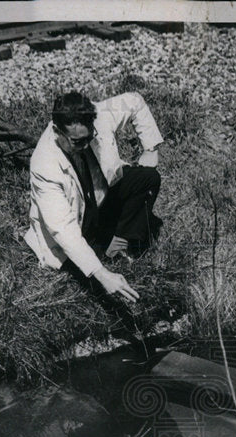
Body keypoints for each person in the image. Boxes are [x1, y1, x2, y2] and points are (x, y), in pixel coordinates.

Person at [24, 90, 164, 304]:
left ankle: (119, 243)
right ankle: (103, 253)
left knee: (148, 178)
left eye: (89, 138)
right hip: (76, 220)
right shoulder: (44, 165)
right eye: (77, 142)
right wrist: (102, 274)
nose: (85, 146)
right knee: (89, 270)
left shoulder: (100, 116)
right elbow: (63, 228)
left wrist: (150, 148)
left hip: (101, 194)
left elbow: (135, 102)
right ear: (57, 131)